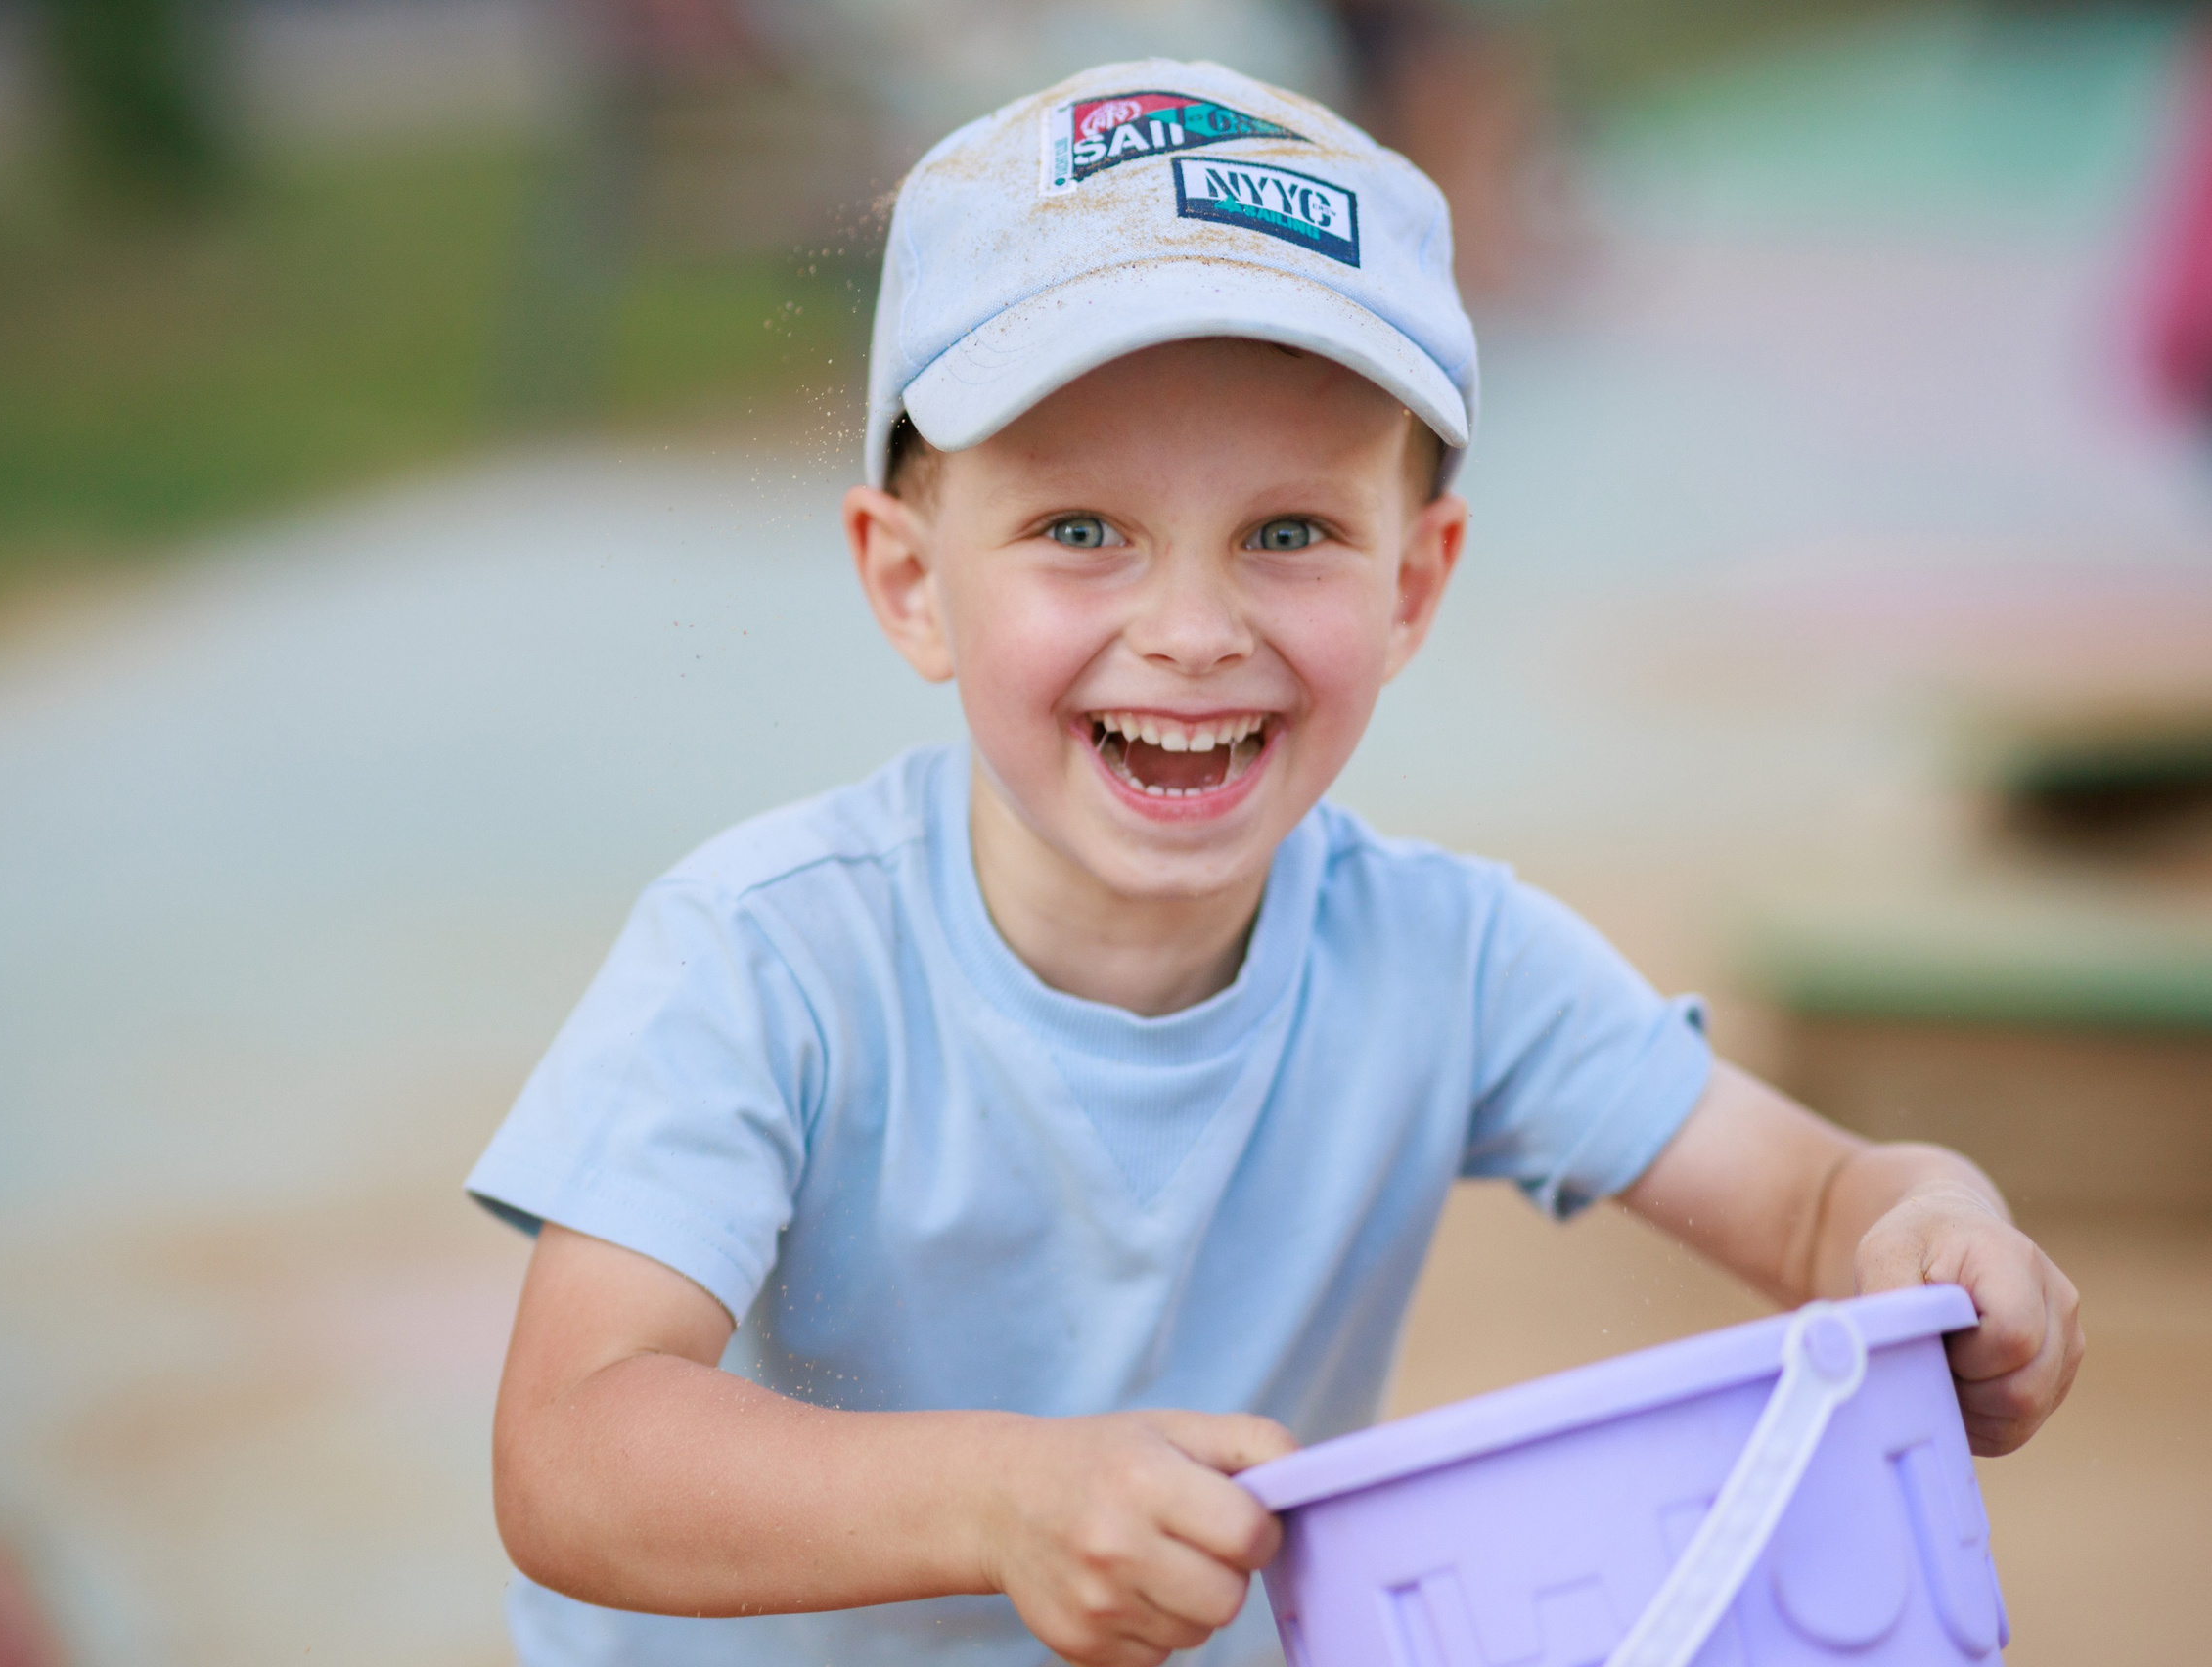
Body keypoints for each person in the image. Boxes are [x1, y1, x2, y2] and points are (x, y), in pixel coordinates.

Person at [468, 59, 2083, 1667]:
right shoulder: (766, 961)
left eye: (1289, 533)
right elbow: (572, 1451)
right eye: (1081, 530)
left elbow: (1816, 1202)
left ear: (1413, 584)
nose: (1189, 632)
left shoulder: (1446, 959)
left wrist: (1935, 1228)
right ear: (909, 583)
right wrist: (998, 1498)